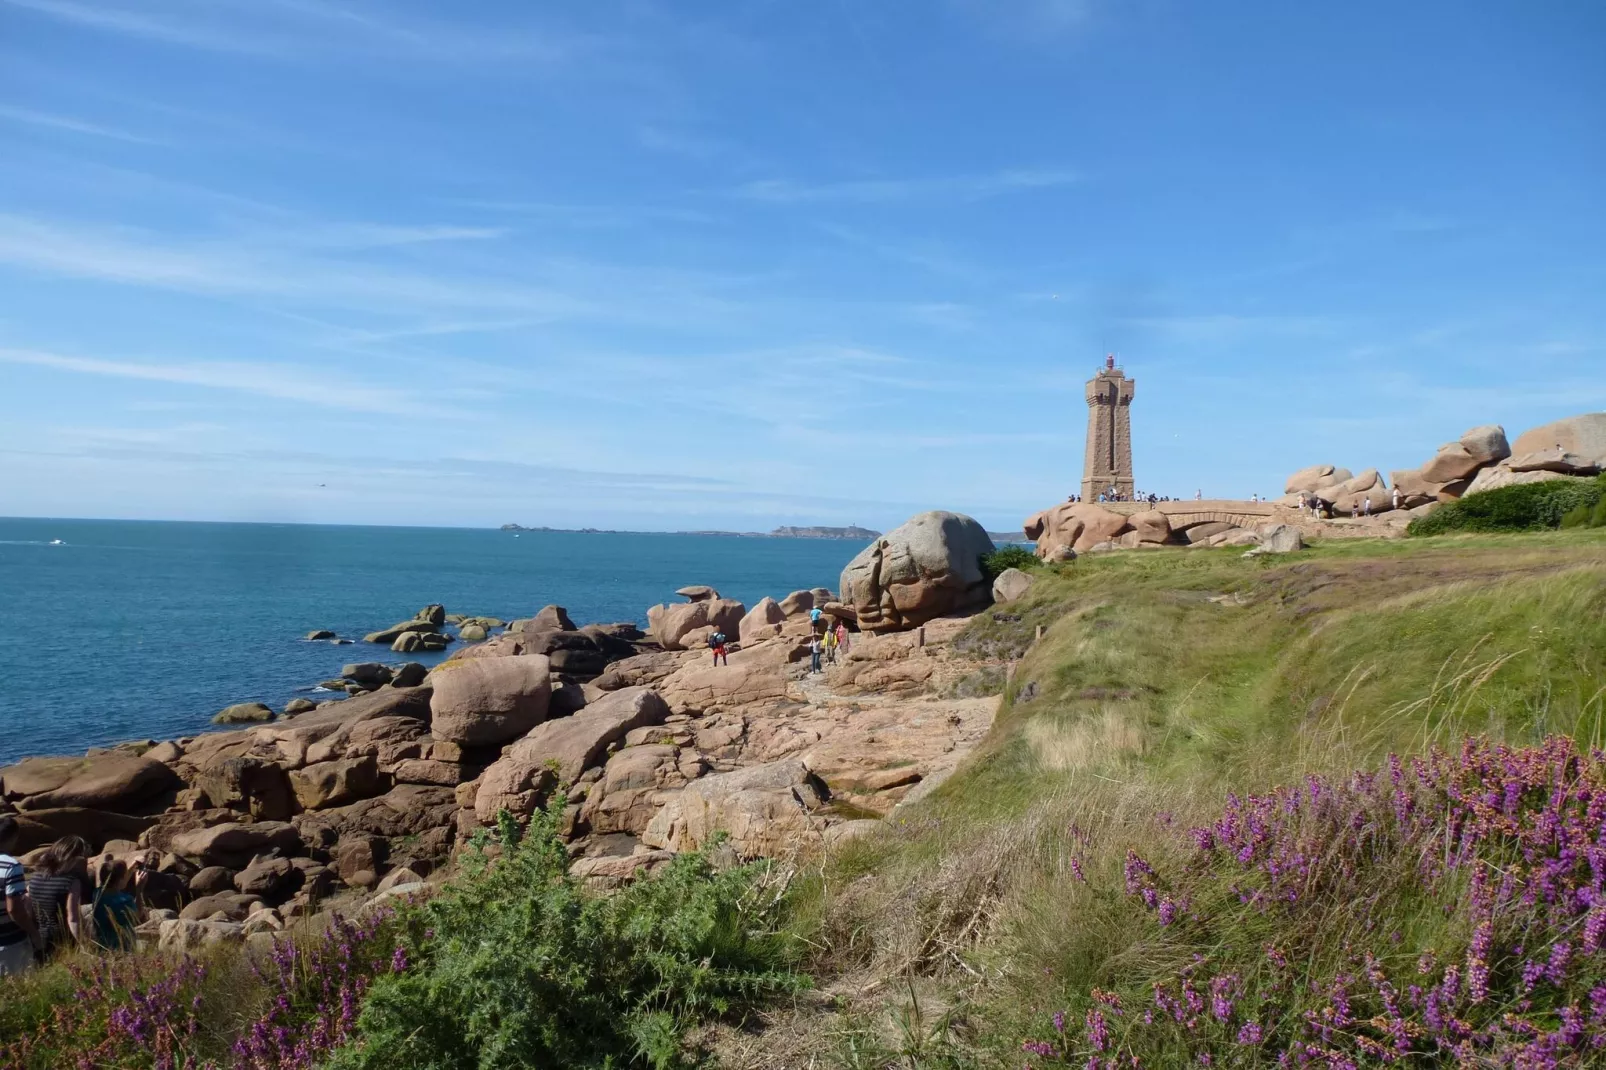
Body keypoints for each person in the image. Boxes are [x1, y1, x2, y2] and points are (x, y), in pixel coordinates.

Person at [27, 835, 88, 954]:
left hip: (38, 936)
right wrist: (84, 945)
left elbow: (29, 909)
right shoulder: (72, 881)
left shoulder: (35, 877)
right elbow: (72, 918)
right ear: (74, 857)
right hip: (63, 939)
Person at [0, 816, 43, 976]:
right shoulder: (11, 866)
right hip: (9, 943)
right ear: (13, 837)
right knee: (17, 986)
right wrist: (33, 932)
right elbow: (14, 909)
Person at [91, 859, 141, 951]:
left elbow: (116, 882)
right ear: (120, 879)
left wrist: (132, 866)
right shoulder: (126, 900)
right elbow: (137, 917)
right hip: (123, 948)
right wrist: (139, 889)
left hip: (102, 946)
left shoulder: (97, 893)